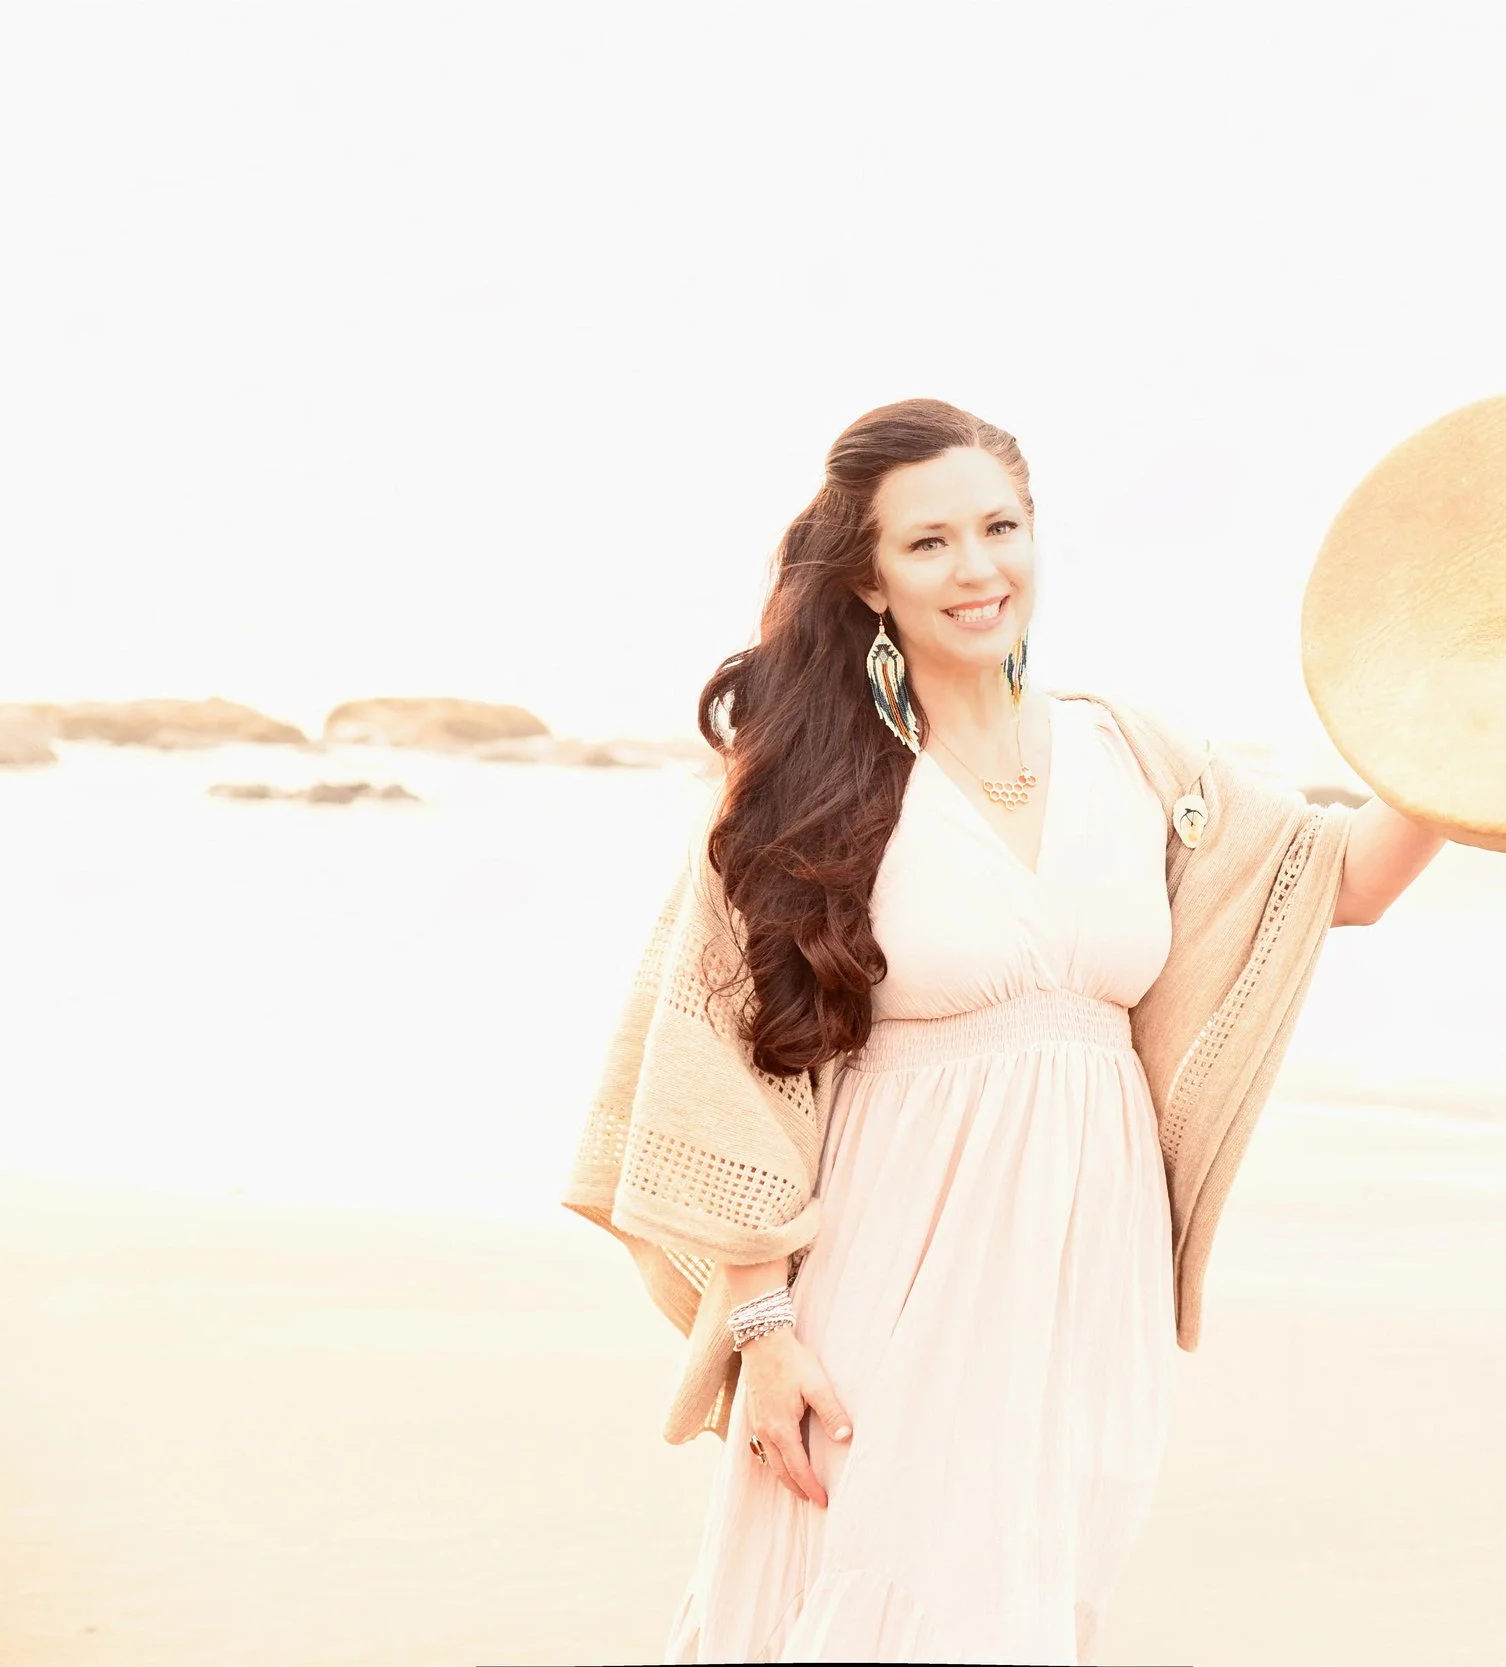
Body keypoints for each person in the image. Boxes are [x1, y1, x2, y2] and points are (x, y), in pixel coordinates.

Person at [565, 397, 1444, 1664]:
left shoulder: (1133, 755)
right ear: (868, 577)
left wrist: (1476, 751)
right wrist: (759, 1330)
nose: (977, 568)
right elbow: (728, 1053)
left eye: (1000, 526)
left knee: (1023, 1603)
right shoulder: (813, 780)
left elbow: (1338, 880)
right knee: (880, 1593)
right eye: (929, 543)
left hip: (1093, 1271)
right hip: (899, 1265)